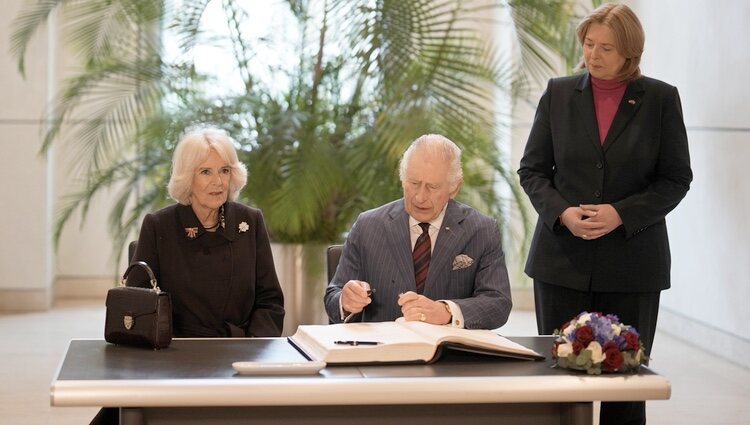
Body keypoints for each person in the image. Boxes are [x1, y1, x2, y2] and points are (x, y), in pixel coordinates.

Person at [517, 3, 692, 425]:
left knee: (626, 386)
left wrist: (621, 214)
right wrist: (562, 213)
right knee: (555, 381)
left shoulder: (661, 99)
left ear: (630, 53)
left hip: (633, 263)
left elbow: (675, 179)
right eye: (589, 44)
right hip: (561, 261)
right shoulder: (558, 93)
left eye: (606, 48)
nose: (593, 55)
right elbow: (533, 170)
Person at [90, 127, 286, 424]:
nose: (218, 182)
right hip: (174, 359)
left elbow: (270, 300)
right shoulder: (159, 226)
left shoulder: (250, 221)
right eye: (205, 172)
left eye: (224, 170)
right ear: (187, 178)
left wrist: (251, 349)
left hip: (240, 358)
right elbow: (138, 309)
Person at [324, 134, 512, 329]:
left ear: (454, 188)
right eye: (414, 183)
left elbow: (498, 303)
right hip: (383, 352)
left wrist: (446, 312)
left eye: (433, 187)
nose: (420, 197)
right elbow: (333, 298)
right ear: (402, 178)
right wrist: (346, 302)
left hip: (451, 355)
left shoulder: (482, 230)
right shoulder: (367, 226)